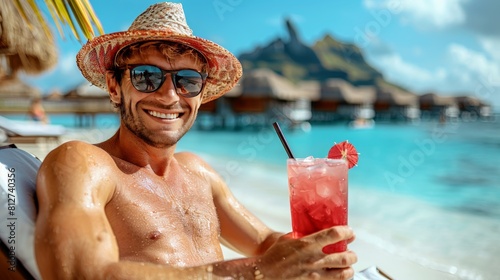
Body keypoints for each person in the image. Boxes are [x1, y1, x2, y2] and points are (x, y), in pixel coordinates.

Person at [34, 3, 357, 279]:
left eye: (187, 80)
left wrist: (318, 254)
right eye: (147, 76)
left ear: (201, 96)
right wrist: (256, 272)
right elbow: (80, 272)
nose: (169, 95)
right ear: (115, 86)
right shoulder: (84, 162)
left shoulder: (197, 172)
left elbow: (264, 243)